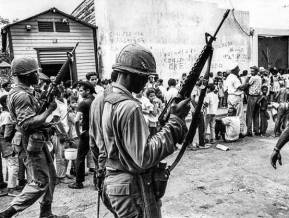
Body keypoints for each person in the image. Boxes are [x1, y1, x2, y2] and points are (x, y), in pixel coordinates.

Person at [91, 44, 190, 217]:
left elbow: (97, 143)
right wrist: (175, 122)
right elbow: (143, 157)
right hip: (131, 185)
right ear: (130, 75)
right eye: (144, 77)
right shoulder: (129, 107)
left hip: (114, 182)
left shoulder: (102, 100)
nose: (146, 82)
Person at [0, 56, 68, 218]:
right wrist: (48, 111)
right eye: (35, 73)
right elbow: (27, 123)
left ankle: (46, 213)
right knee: (40, 182)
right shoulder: (21, 96)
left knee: (51, 177)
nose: (38, 76)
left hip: (37, 139)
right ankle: (7, 213)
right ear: (26, 75)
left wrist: (47, 106)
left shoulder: (25, 92)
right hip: (28, 141)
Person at [68, 81, 95, 189]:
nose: (79, 93)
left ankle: (78, 182)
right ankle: (98, 182)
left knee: (80, 157)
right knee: (97, 156)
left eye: (81, 90)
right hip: (96, 132)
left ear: (87, 91)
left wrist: (79, 134)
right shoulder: (95, 100)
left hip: (86, 132)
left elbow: (76, 121)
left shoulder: (83, 103)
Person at [0, 95, 20, 196]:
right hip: (7, 143)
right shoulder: (7, 115)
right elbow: (7, 133)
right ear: (5, 104)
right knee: (14, 165)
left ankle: (11, 186)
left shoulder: (4, 114)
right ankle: (11, 189)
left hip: (5, 142)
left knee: (11, 164)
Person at [246, 66, 262, 136]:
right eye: (251, 71)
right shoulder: (259, 78)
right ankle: (256, 130)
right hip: (258, 97)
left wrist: (247, 78)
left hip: (252, 96)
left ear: (256, 71)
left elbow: (247, 84)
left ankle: (249, 131)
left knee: (249, 114)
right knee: (256, 114)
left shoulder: (253, 78)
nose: (251, 72)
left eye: (252, 71)